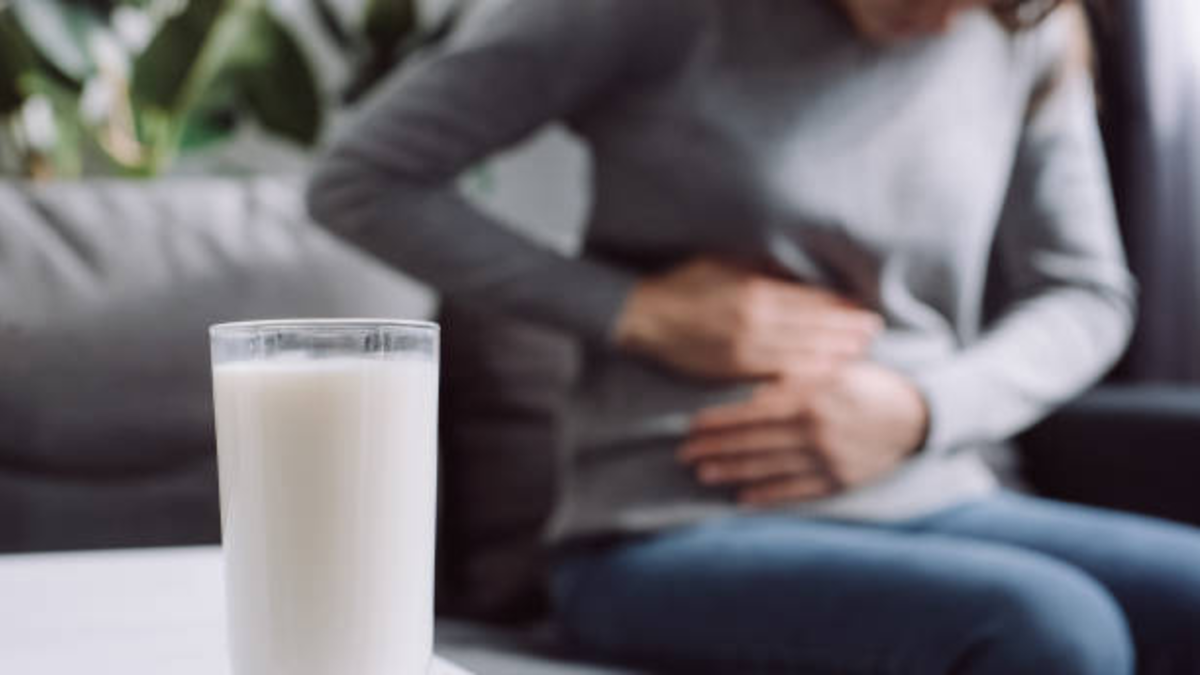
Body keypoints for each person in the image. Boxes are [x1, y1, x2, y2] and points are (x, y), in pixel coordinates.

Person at [307, 0, 1200, 672]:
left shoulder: (1025, 27)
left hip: (935, 489)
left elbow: (1086, 294)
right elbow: (362, 179)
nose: (937, 18)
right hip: (670, 523)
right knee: (1050, 626)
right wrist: (633, 309)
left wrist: (922, 409)